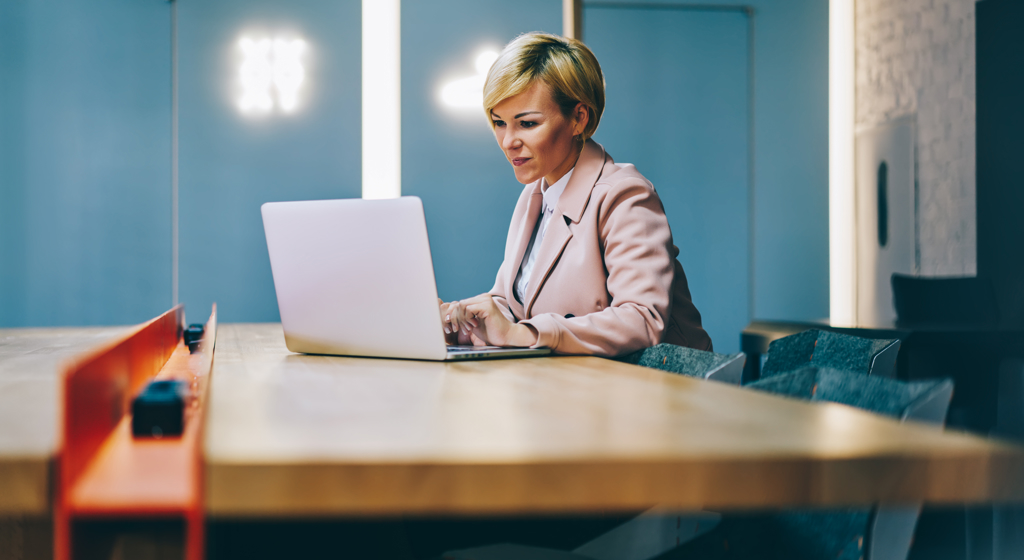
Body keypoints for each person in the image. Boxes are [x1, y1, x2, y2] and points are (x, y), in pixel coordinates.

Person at [441, 32, 712, 356]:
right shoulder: (535, 195)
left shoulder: (625, 195)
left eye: (526, 124)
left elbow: (642, 319)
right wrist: (456, 319)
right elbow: (513, 305)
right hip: (576, 384)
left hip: (663, 390)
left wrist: (521, 334)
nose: (507, 141)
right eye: (499, 122)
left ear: (578, 118)